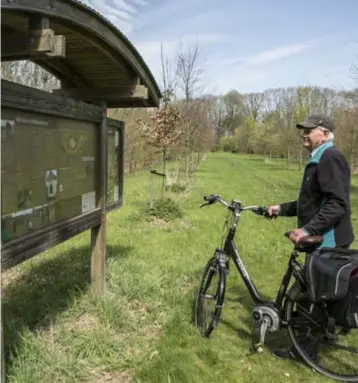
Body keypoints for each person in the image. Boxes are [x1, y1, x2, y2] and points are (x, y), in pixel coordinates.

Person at [267, 114, 354, 359]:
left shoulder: (330, 158)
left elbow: (338, 204)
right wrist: (280, 209)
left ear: (325, 133)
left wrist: (307, 230)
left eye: (309, 130)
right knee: (321, 293)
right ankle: (327, 331)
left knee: (307, 295)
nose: (303, 134)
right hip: (322, 238)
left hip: (328, 240)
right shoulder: (319, 159)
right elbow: (310, 203)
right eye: (302, 130)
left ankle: (302, 350)